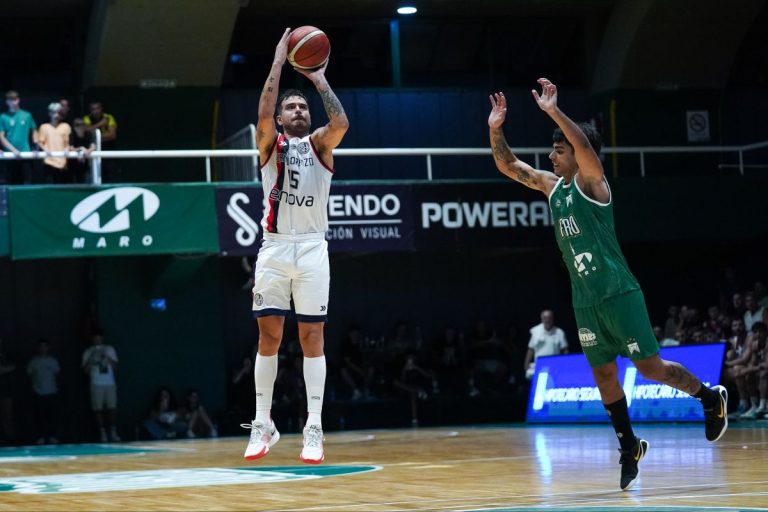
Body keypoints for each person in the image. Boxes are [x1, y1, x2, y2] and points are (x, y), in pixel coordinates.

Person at [488, 79, 728, 491]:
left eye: (559, 149)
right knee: (603, 378)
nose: (552, 155)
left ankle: (709, 399)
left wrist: (554, 112)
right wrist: (495, 129)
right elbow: (509, 166)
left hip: (619, 292)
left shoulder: (594, 184)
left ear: (579, 155)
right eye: (554, 150)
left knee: (650, 369)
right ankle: (629, 446)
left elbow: (582, 148)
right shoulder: (552, 188)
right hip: (586, 302)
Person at [242, 28, 349, 465]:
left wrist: (318, 78)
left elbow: (340, 122)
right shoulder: (271, 143)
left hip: (311, 249)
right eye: (293, 106)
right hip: (274, 247)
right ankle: (263, 422)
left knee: (312, 337)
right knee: (269, 336)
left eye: (302, 105)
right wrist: (277, 61)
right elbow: (263, 113)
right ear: (282, 118)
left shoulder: (321, 144)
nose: (299, 110)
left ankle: (314, 426)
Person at [81, 331, 121, 442]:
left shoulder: (110, 349)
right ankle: (102, 432)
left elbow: (116, 367)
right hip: (96, 383)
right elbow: (85, 371)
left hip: (110, 383)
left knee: (112, 408)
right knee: (98, 409)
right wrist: (91, 359)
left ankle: (113, 431)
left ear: (102, 338)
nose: (97, 341)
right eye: (95, 339)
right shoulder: (88, 352)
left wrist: (107, 357)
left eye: (99, 338)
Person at [26, 338, 61, 444]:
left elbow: (57, 372)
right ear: (38, 348)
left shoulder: (53, 361)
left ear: (48, 347)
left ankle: (53, 436)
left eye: (45, 346)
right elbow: (29, 373)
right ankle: (40, 436)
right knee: (39, 416)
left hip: (51, 392)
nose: (43, 349)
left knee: (52, 416)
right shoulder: (33, 362)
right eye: (41, 346)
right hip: (38, 392)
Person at [0, 90, 38, 184]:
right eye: (10, 100)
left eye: (14, 99)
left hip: (25, 153)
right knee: (10, 184)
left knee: (27, 183)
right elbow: (1, 137)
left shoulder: (27, 115)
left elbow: (34, 130)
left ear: (18, 100)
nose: (13, 102)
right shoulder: (3, 117)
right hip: (9, 155)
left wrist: (36, 146)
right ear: (6, 102)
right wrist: (13, 150)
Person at [524, 309, 569, 379]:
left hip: (555, 365)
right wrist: (526, 364)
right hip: (539, 365)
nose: (547, 320)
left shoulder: (560, 332)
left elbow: (565, 350)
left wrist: (566, 364)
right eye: (545, 318)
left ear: (552, 319)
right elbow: (530, 349)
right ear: (541, 319)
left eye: (549, 318)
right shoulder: (535, 331)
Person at [38, 102, 73, 184]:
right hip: (49, 163)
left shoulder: (66, 126)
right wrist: (46, 150)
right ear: (49, 113)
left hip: (63, 164)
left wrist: (67, 149)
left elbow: (68, 143)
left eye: (58, 112)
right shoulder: (44, 127)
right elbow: (40, 142)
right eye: (53, 112)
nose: (56, 115)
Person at [69, 117, 96, 183]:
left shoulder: (88, 134)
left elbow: (93, 147)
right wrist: (81, 149)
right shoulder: (72, 135)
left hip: (85, 166)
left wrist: (87, 151)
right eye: (77, 125)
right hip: (72, 167)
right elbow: (70, 148)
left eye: (82, 124)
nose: (79, 127)